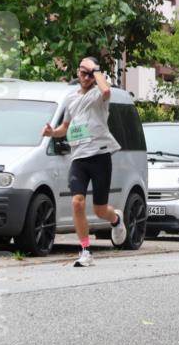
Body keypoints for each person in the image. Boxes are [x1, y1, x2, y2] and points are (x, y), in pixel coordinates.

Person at [41, 57, 126, 267]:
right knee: (77, 202)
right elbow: (66, 126)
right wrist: (53, 133)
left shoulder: (99, 94)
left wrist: (96, 70)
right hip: (78, 157)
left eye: (90, 74)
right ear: (77, 73)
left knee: (99, 209)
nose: (86, 77)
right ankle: (85, 251)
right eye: (83, 72)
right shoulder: (70, 98)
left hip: (100, 155)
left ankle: (115, 219)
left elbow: (107, 91)